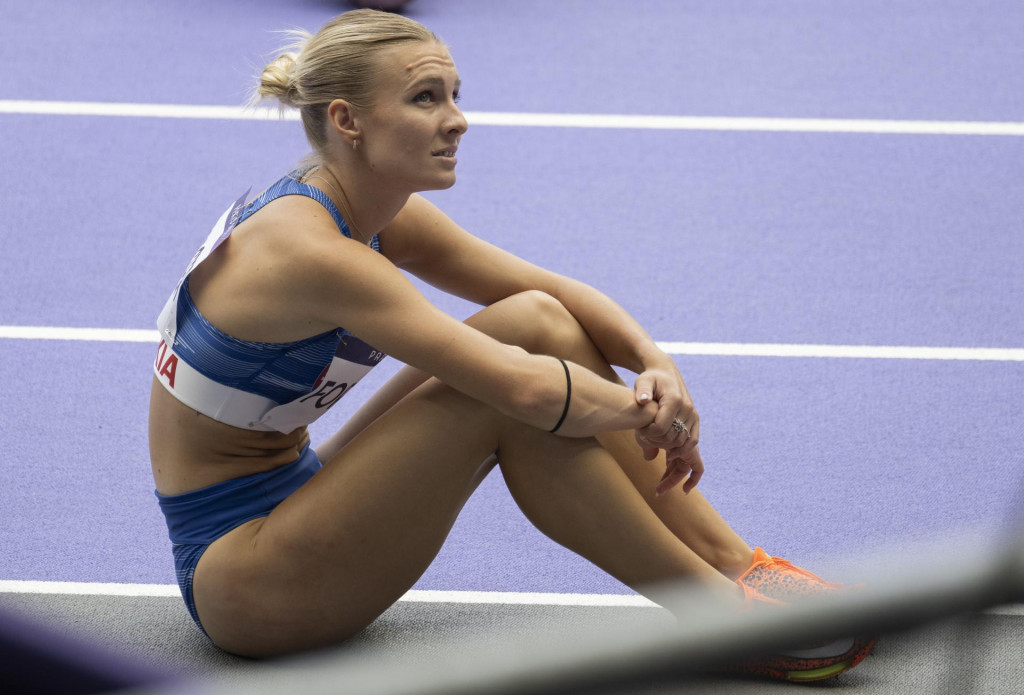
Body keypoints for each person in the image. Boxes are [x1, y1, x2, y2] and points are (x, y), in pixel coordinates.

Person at [149, 9, 873, 680]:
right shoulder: (309, 249)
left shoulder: (365, 208)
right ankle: (716, 617)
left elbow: (551, 296)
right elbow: (524, 391)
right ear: (349, 121)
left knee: (532, 319)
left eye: (454, 94)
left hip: (295, 492)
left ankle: (736, 563)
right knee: (508, 404)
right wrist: (648, 415)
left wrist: (658, 366)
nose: (458, 120)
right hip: (243, 579)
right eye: (426, 99)